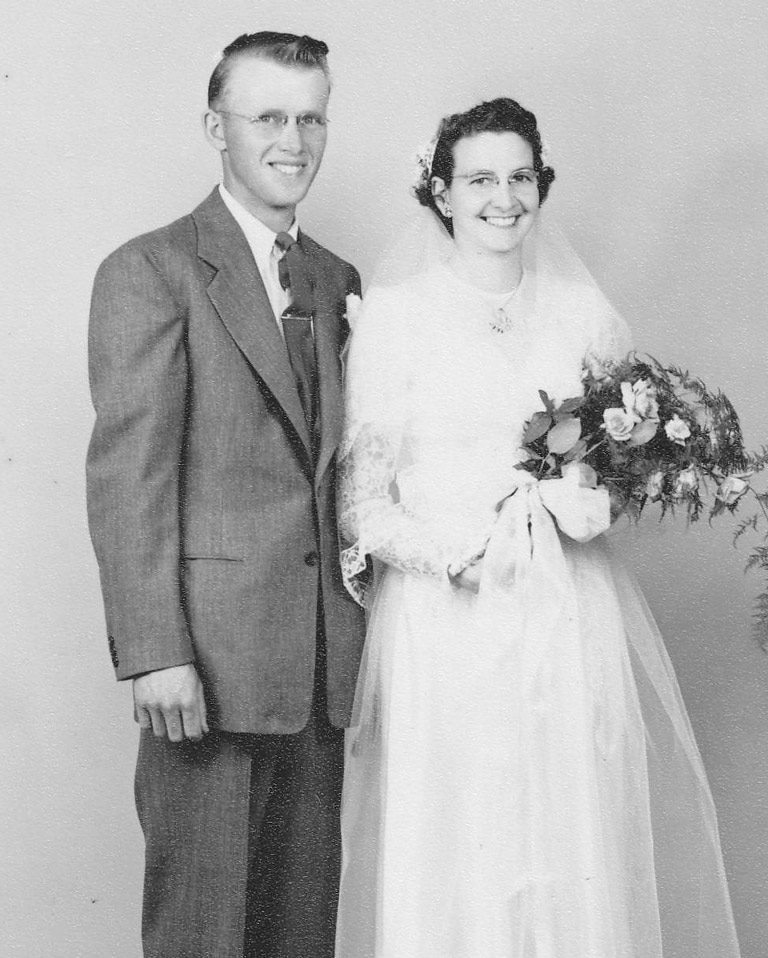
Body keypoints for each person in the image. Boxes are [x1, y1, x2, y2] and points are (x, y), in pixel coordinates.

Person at [334, 98, 741, 957]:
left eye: (521, 176)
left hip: (565, 610)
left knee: (566, 834)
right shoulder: (397, 317)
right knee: (458, 842)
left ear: (541, 186)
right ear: (441, 192)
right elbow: (362, 506)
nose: (503, 198)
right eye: (480, 178)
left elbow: (623, 458)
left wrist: (593, 498)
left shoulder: (580, 316)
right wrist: (458, 556)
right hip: (448, 619)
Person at [86, 31, 365, 958]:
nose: (294, 139)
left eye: (311, 116)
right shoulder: (152, 269)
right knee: (203, 937)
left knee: (300, 938)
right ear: (217, 127)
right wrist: (156, 653)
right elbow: (131, 477)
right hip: (205, 672)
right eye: (269, 117)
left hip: (325, 678)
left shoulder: (338, 282)